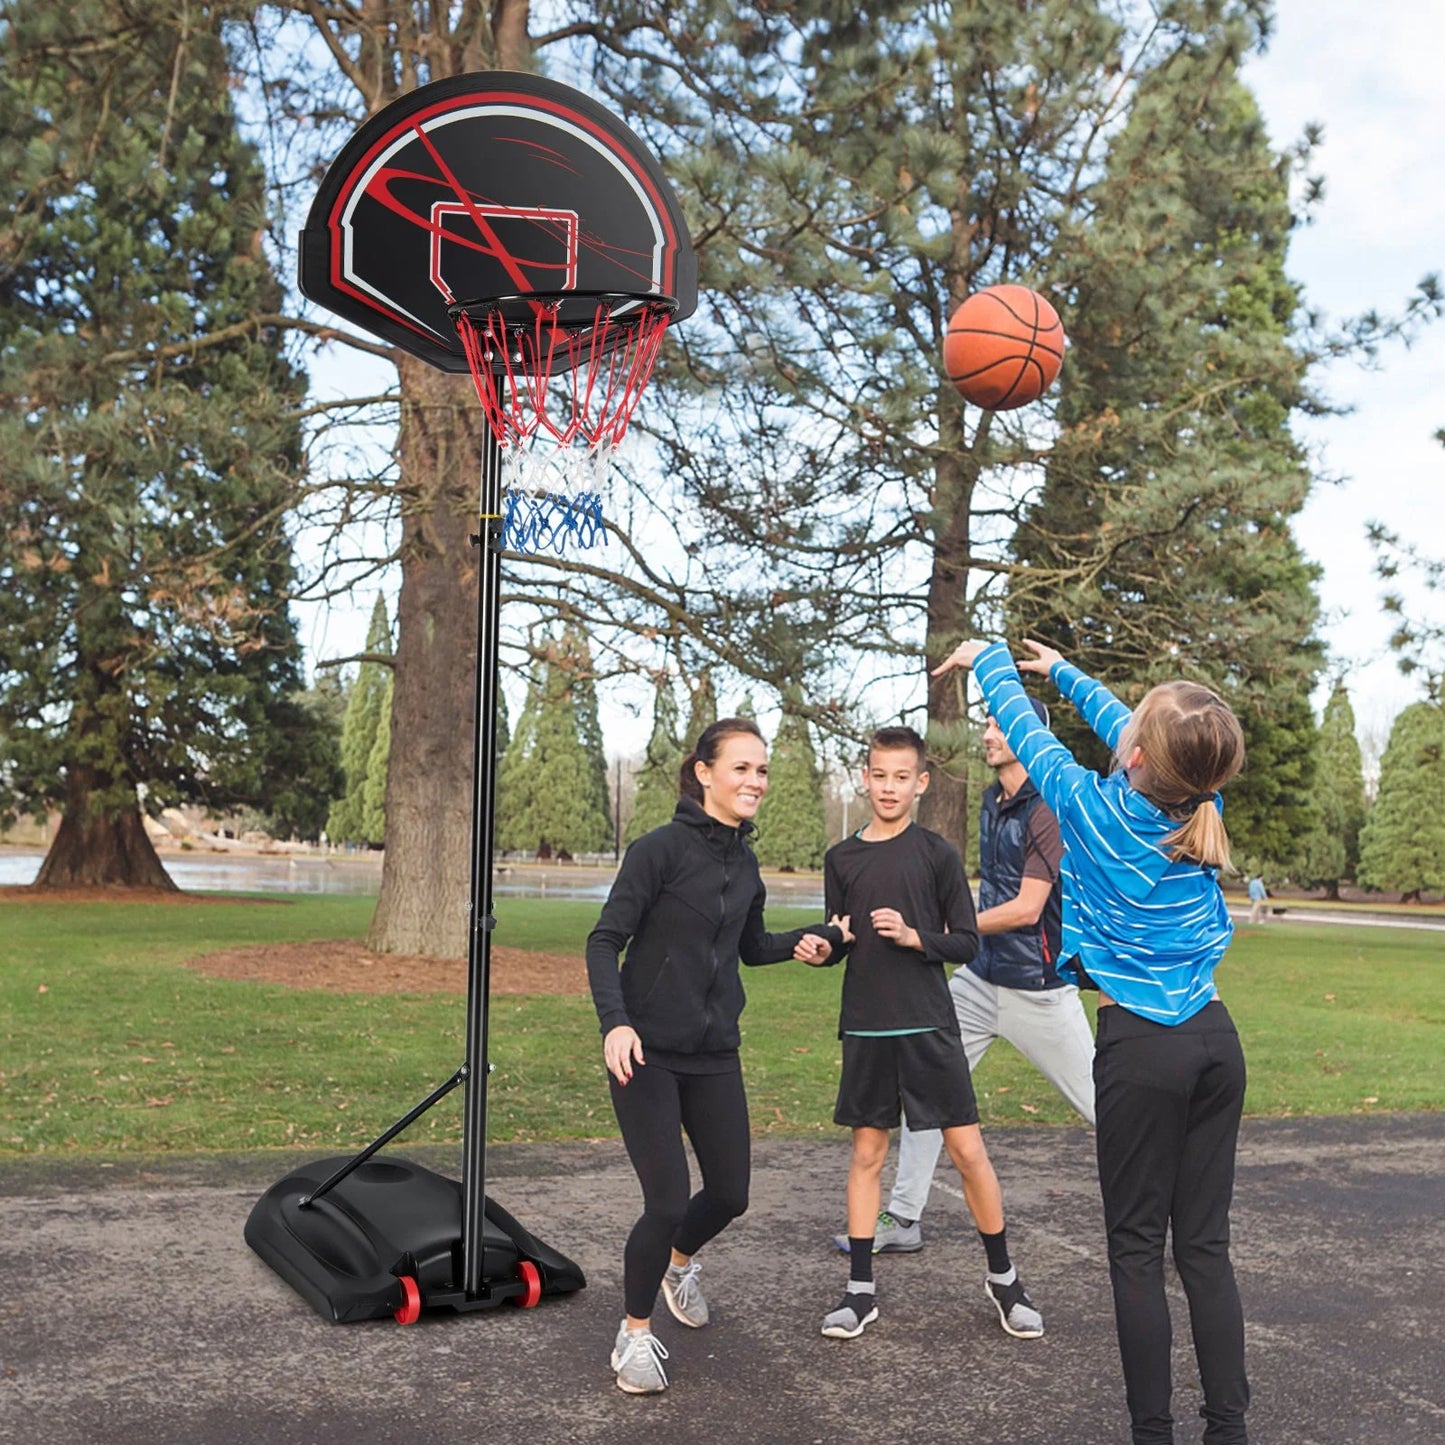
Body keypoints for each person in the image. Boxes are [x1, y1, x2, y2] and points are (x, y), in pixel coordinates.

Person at [935, 637, 1250, 1445]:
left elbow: (1023, 726)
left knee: (1137, 1252)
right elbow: (1142, 734)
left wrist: (991, 659)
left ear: (1137, 754)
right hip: (1215, 1041)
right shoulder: (1201, 800)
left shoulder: (1089, 804)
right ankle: (1229, 1430)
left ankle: (1153, 1433)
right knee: (1204, 1249)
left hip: (1142, 1048)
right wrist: (1065, 672)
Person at [585, 717, 844, 1395]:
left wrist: (806, 941)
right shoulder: (658, 851)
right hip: (645, 1052)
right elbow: (602, 939)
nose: (755, 780)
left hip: (713, 1052)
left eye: (762, 770)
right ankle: (633, 1336)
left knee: (730, 1192)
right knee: (666, 1197)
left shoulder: (745, 862)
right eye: (742, 768)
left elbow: (749, 944)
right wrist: (615, 1023)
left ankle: (677, 1265)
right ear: (704, 772)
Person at [806, 725, 1045, 1343]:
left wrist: (916, 937)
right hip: (865, 1026)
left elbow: (965, 940)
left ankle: (1005, 1281)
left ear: (920, 783)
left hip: (929, 1026)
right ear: (865, 777)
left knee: (969, 1154)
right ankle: (860, 1292)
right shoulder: (842, 858)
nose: (888, 788)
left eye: (900, 777)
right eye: (878, 775)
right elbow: (842, 938)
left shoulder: (938, 854)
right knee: (867, 1155)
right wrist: (825, 947)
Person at [842, 697, 1096, 1257]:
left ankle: (1173, 1219)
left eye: (1000, 725)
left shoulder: (1047, 808)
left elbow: (1028, 908)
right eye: (987, 722)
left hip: (1039, 989)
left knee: (1108, 1107)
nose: (987, 733)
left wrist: (937, 928)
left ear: (1030, 735)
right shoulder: (994, 800)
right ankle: (903, 1218)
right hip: (980, 981)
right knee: (925, 1092)